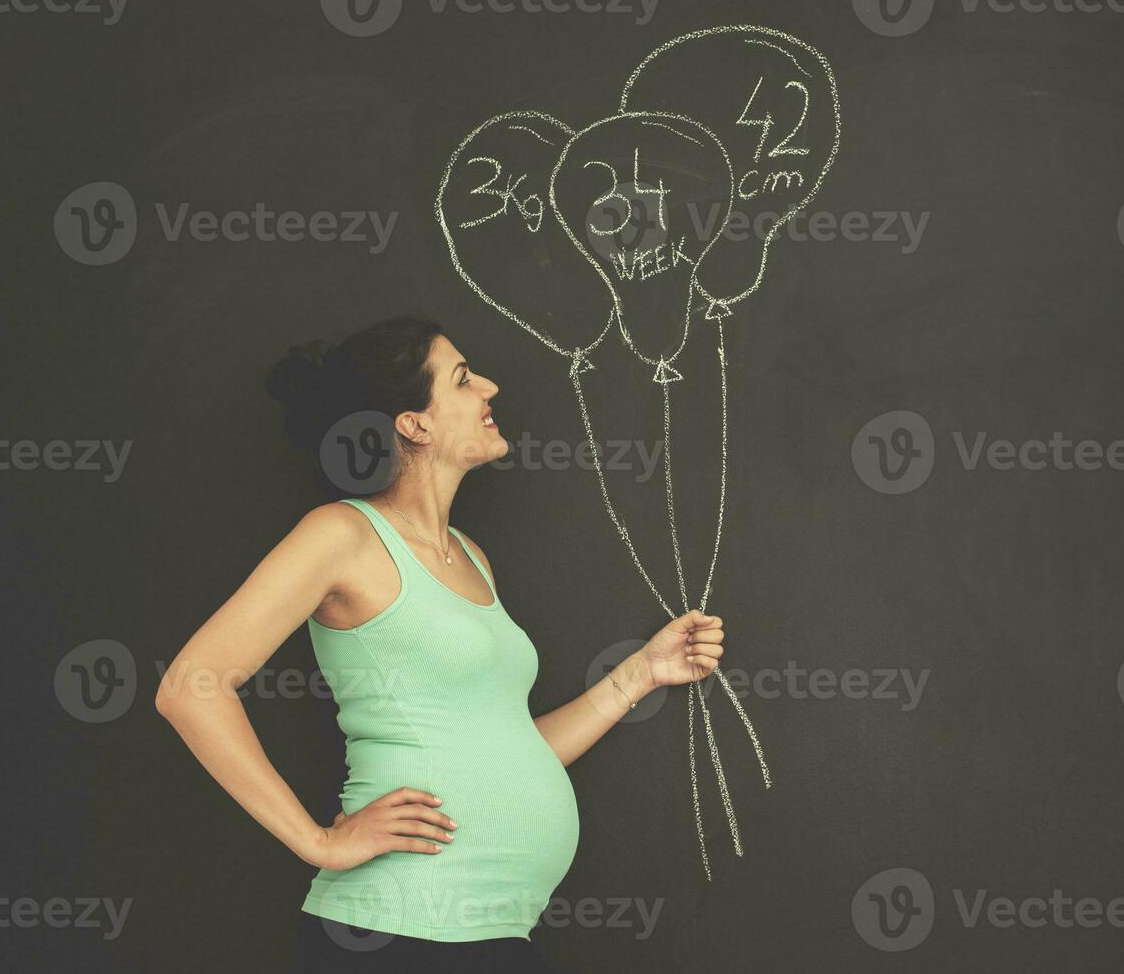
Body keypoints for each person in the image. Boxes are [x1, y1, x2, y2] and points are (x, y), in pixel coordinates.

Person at [155, 314, 726, 972]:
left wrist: (641, 673)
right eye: (462, 379)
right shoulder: (342, 535)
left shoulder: (470, 558)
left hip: (494, 933)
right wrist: (318, 842)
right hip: (398, 929)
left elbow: (505, 747)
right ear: (413, 423)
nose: (488, 386)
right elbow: (191, 687)